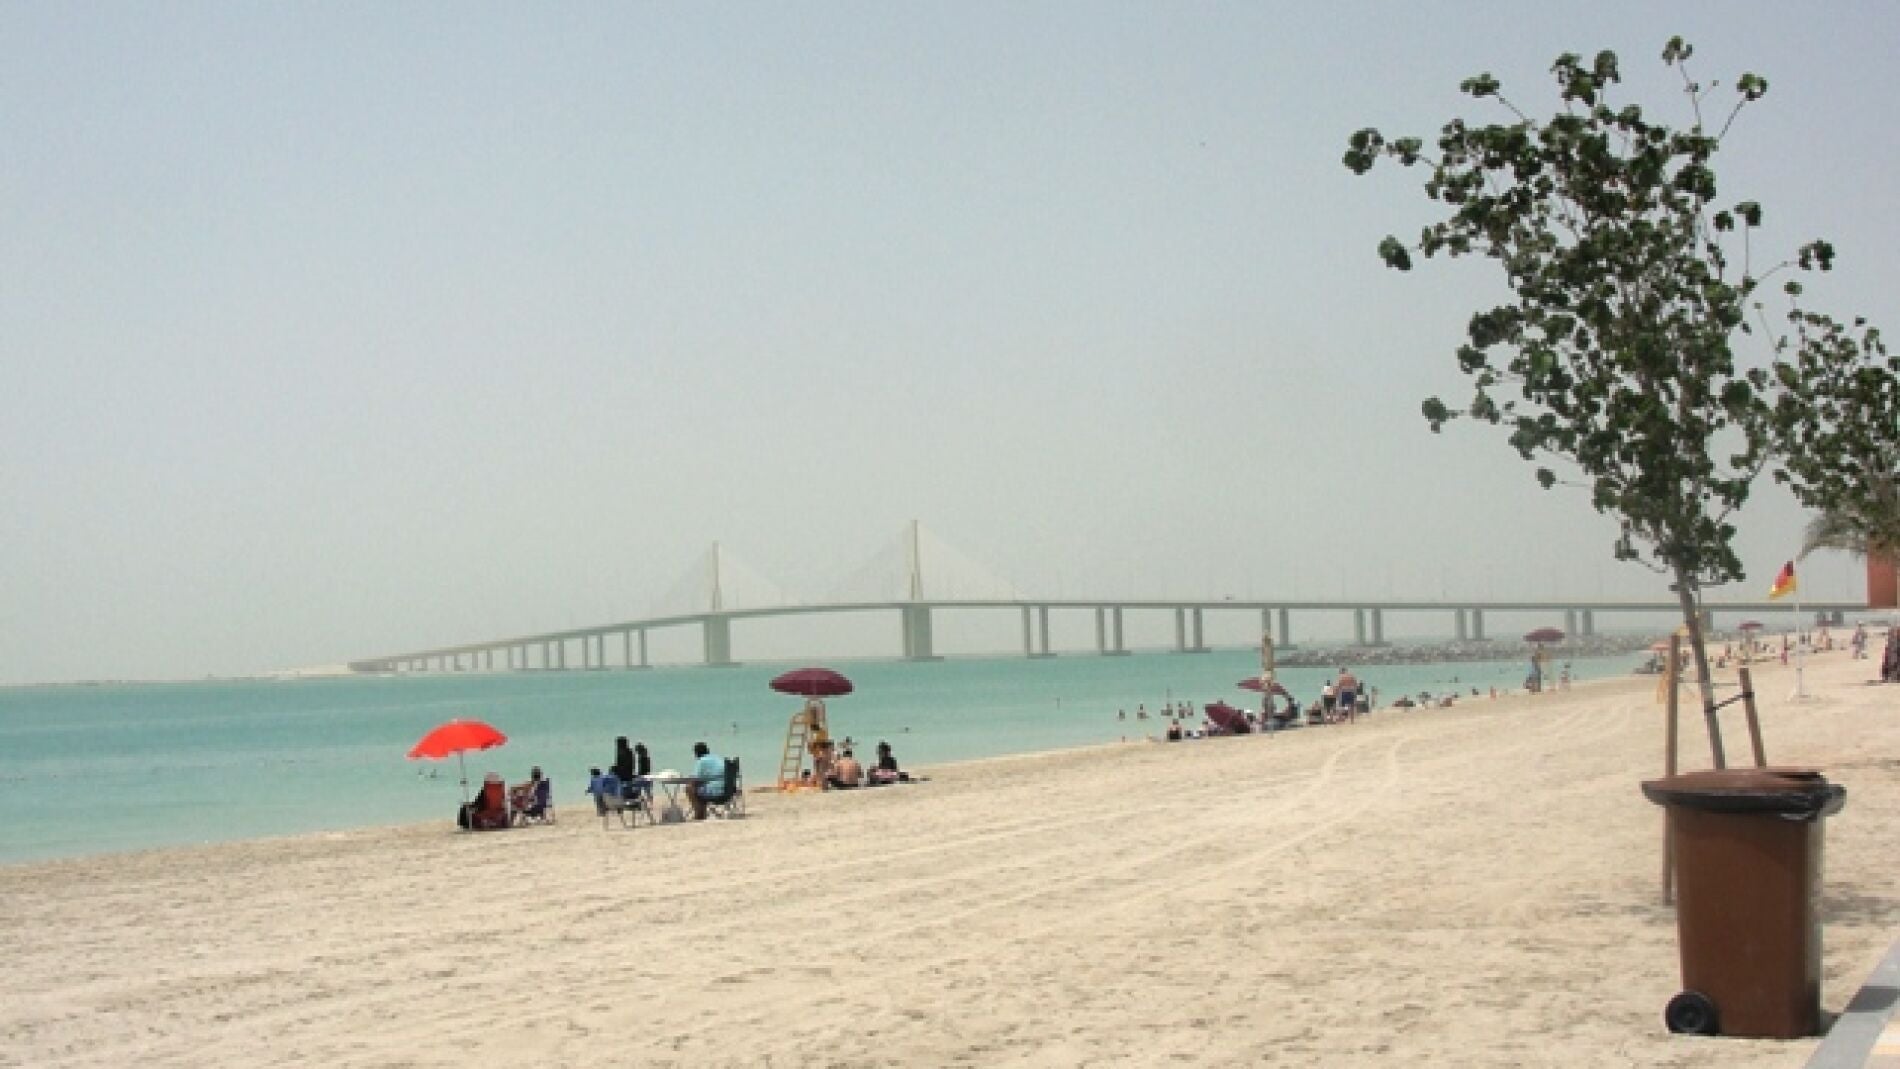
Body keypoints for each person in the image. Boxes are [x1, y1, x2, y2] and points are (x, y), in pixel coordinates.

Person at [685, 742, 727, 820]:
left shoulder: (702, 761)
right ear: (707, 750)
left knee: (689, 788)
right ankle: (702, 813)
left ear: (696, 753)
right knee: (700, 787)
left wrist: (690, 779)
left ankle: (699, 814)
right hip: (727, 789)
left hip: (716, 791)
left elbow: (696, 779)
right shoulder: (717, 758)